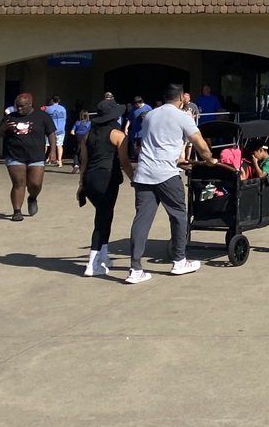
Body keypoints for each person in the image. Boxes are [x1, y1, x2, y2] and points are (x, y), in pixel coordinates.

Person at [126, 83, 218, 284]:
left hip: (144, 173)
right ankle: (179, 260)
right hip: (167, 174)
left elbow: (156, 141)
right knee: (178, 215)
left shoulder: (150, 115)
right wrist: (210, 159)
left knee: (141, 220)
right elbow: (200, 143)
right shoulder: (182, 116)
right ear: (181, 99)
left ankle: (135, 269)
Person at [76, 99, 130, 277]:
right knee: (101, 220)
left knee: (105, 216)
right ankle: (92, 264)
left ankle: (104, 255)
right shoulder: (118, 135)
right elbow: (124, 162)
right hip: (107, 178)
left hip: (91, 179)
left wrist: (82, 184)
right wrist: (135, 179)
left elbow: (84, 161)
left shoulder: (87, 135)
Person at [0, 92, 57, 221]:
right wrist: (4, 128)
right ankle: (17, 211)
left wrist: (52, 151)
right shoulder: (9, 117)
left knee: (35, 183)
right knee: (18, 183)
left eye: (22, 106)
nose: (19, 109)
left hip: (36, 155)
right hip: (14, 155)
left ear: (30, 104)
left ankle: (32, 198)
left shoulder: (42, 116)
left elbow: (51, 133)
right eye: (17, 106)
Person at [42, 96, 67, 165]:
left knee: (46, 144)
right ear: (59, 101)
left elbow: (44, 117)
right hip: (61, 129)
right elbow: (65, 118)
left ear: (52, 100)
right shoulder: (63, 109)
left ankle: (41, 159)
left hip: (50, 130)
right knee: (59, 145)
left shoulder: (48, 109)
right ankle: (60, 161)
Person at [69, 108, 92, 173]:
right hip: (86, 137)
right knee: (85, 152)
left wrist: (75, 134)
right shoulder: (89, 123)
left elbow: (72, 131)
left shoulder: (77, 122)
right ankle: (84, 165)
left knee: (76, 152)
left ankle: (76, 164)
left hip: (78, 137)